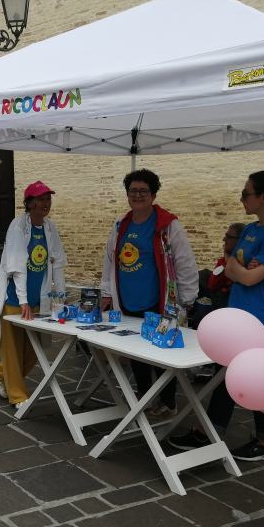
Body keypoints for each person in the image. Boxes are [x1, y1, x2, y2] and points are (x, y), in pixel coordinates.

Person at [170, 170, 264, 462]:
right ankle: (209, 431)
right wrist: (241, 270)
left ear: (263, 197)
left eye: (246, 193)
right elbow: (232, 265)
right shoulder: (250, 229)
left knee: (257, 378)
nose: (241, 198)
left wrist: (241, 270)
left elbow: (245, 276)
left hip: (263, 318)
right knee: (225, 376)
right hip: (239, 316)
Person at [99, 168, 199, 418]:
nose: (138, 195)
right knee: (136, 355)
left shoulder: (168, 225)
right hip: (128, 301)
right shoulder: (121, 225)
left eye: (143, 191)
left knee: (161, 354)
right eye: (133, 191)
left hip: (158, 302)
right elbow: (110, 260)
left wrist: (187, 301)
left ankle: (167, 402)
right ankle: (144, 398)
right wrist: (106, 293)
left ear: (153, 194)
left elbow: (184, 262)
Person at [0, 181, 67, 408]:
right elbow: (17, 266)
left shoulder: (50, 228)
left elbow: (57, 263)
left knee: (33, 349)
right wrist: (23, 300)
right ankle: (18, 396)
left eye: (47, 199)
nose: (44, 204)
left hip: (40, 298)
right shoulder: (18, 226)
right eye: (39, 200)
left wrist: (60, 295)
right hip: (15, 299)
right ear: (29, 203)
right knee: (12, 348)